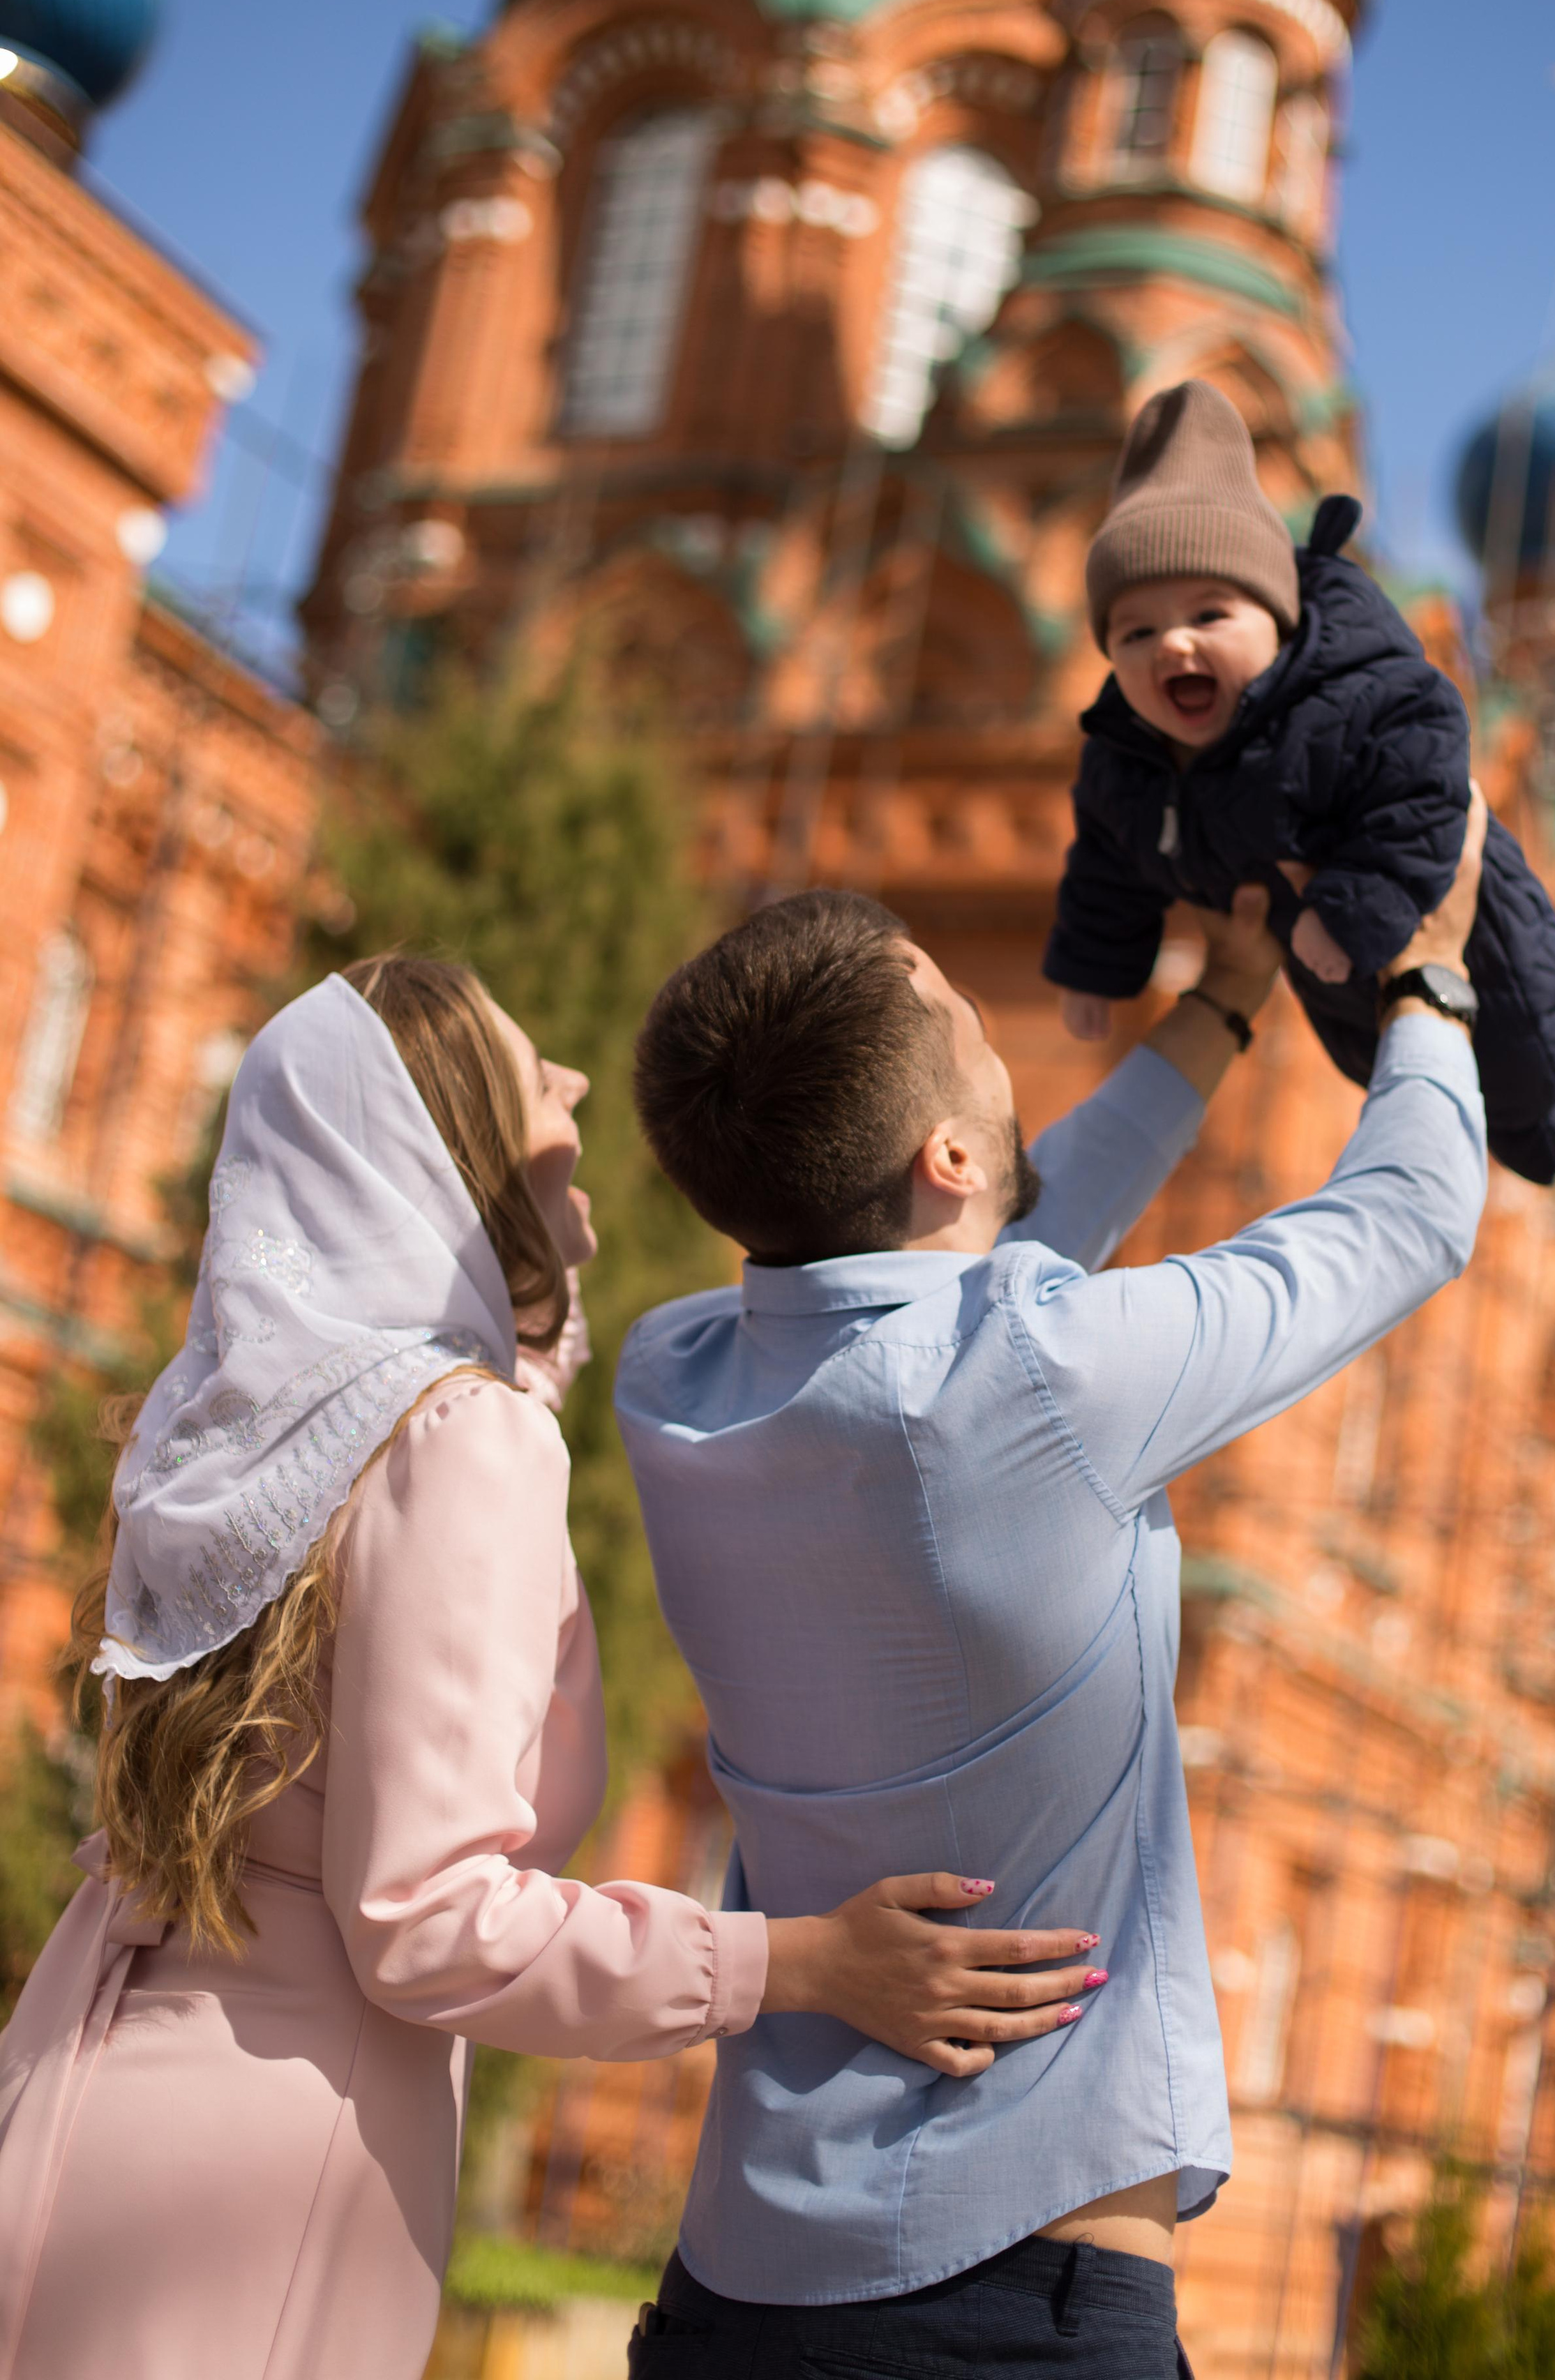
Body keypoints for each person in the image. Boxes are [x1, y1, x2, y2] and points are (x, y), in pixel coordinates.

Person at [0, 959, 1100, 2380]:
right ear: (437, 1144)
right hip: (250, 2193)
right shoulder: (459, 1443)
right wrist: (799, 1963)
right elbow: (429, 1919)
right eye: (530, 1072)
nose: (574, 1081)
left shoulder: (240, 1433)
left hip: (89, 2109)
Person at [616, 797, 1489, 2377]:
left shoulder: (674, 1381)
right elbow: (1409, 1214)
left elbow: (969, 1259)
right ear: (948, 1153)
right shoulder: (1033, 1374)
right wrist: (1429, 979)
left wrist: (1220, 1009)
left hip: (738, 2290)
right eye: (958, 1006)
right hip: (1009, 2303)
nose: (975, 1008)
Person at [1043, 378, 1555, 1184]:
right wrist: (1093, 966)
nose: (1172, 645)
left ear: (1278, 624)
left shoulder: (1346, 699)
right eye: (1135, 632)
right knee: (1369, 1059)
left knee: (1522, 1074)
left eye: (1209, 616)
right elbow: (1106, 863)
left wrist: (1350, 911)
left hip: (1457, 916)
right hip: (1315, 955)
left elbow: (1420, 783)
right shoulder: (1125, 762)